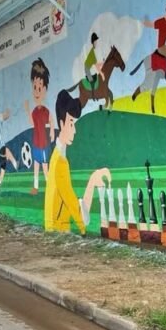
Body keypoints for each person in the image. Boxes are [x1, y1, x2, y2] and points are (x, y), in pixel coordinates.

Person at [45, 90, 111, 233]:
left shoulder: (57, 156)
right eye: (71, 124)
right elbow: (77, 211)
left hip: (55, 229)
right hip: (59, 231)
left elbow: (72, 204)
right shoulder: (60, 163)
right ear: (61, 124)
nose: (74, 130)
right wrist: (92, 181)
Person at [23, 58, 55, 195]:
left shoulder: (46, 111)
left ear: (45, 89)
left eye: (39, 88)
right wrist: (27, 110)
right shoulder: (34, 111)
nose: (36, 91)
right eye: (35, 87)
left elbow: (51, 120)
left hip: (43, 144)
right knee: (36, 165)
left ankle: (49, 186)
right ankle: (35, 186)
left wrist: (52, 130)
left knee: (45, 166)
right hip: (36, 143)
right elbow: (32, 123)